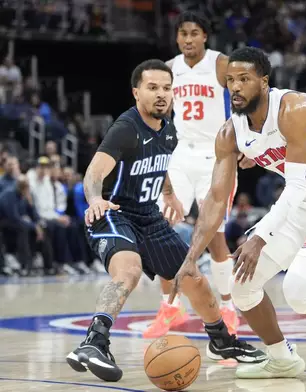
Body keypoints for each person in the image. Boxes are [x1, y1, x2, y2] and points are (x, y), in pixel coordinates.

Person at [170, 47, 306, 379]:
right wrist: (191, 256)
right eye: (230, 80)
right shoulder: (230, 133)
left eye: (244, 79)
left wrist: (259, 237)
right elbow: (216, 199)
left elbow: (296, 187)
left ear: (263, 82)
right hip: (297, 207)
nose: (235, 86)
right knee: (241, 284)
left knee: (299, 293)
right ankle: (282, 357)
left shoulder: (295, 108)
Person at [65, 59, 266, 383]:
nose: (161, 94)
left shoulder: (169, 129)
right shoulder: (126, 128)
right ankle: (94, 342)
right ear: (136, 92)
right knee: (128, 271)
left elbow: (160, 166)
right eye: (153, 87)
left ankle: (222, 340)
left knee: (194, 279)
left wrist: (169, 193)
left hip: (149, 216)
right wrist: (94, 199)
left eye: (167, 88)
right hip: (114, 213)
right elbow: (94, 172)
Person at [145, 11, 241, 339]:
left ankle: (227, 308)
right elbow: (160, 114)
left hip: (217, 156)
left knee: (215, 236)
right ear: (176, 38)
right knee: (160, 228)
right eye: (183, 33)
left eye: (194, 33)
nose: (188, 39)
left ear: (205, 37)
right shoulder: (169, 69)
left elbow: (246, 95)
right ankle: (169, 307)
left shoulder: (220, 63)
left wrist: (245, 138)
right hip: (181, 154)